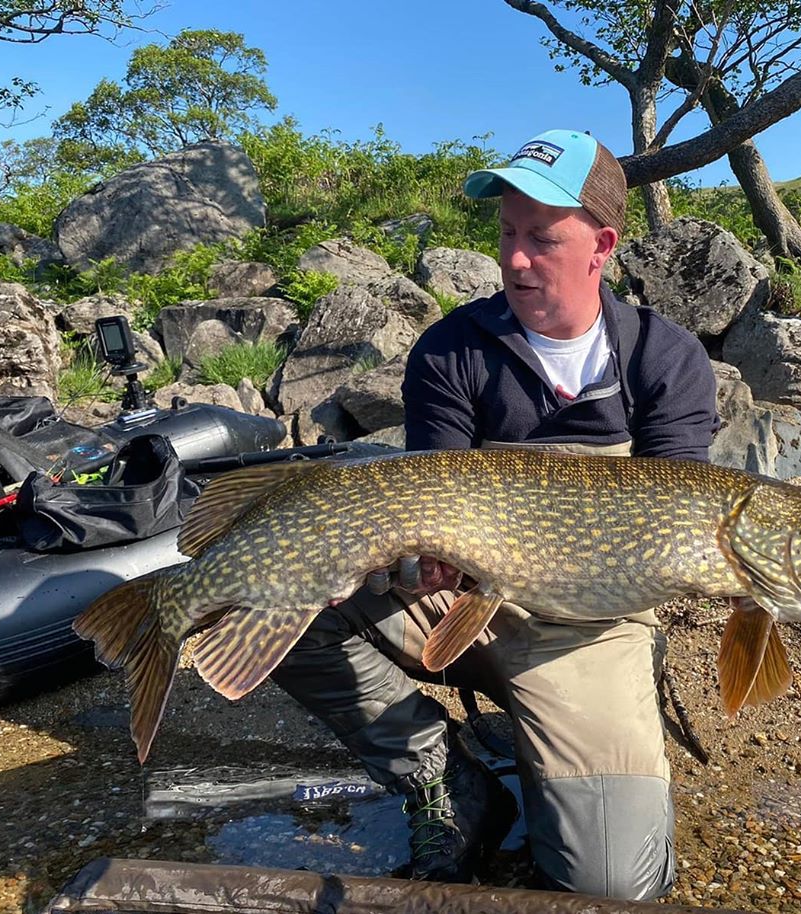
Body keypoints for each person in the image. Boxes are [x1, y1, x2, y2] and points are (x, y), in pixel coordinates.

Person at [270, 129, 720, 900]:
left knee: (609, 886)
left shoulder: (664, 358)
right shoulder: (450, 350)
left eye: (541, 239)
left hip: (594, 627)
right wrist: (417, 562)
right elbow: (429, 492)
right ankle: (440, 773)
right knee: (266, 592)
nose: (514, 259)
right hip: (467, 601)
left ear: (602, 246)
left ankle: (575, 733)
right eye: (507, 233)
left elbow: (679, 519)